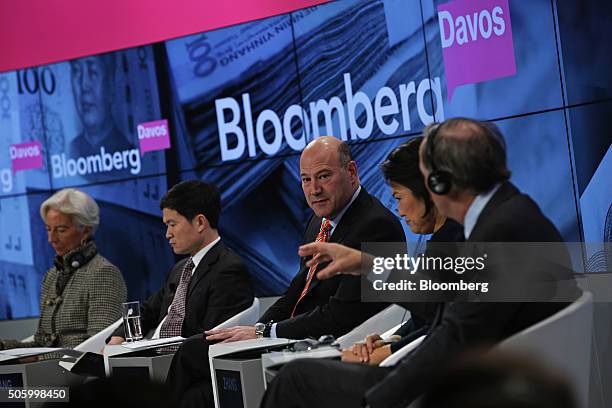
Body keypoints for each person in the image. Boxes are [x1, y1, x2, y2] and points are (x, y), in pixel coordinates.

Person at [262, 117, 580, 408]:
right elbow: (439, 302)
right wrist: (367, 266)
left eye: (426, 178)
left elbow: (455, 334)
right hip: (485, 372)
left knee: (294, 378)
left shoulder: (500, 232)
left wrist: (377, 398)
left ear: (441, 182)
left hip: (474, 386)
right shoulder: (507, 215)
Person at [165, 136, 406, 407]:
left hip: (322, 341)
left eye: (323, 176)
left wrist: (267, 333)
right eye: (305, 179)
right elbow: (296, 290)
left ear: (351, 171)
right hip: (290, 334)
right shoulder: (318, 221)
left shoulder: (376, 225)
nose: (314, 189)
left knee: (198, 379)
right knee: (191, 354)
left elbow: (340, 316)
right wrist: (257, 330)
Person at [340, 137, 464, 365]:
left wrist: (382, 354)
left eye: (399, 197)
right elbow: (431, 316)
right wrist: (390, 341)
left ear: (428, 190)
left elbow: (443, 323)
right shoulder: (444, 238)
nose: (398, 210)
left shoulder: (454, 243)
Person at [107, 180, 253, 345]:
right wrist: (120, 336)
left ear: (200, 222)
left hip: (179, 361)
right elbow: (148, 309)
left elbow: (210, 337)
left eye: (172, 224)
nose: (168, 234)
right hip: (153, 356)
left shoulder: (229, 270)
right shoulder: (180, 269)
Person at [0, 188, 126, 349]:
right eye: (48, 229)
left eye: (61, 230)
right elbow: (41, 343)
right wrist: (4, 347)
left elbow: (99, 345)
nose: (51, 239)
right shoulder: (51, 276)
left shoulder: (104, 274)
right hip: (50, 368)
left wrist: (41, 358)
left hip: (81, 371)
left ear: (85, 231)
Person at [69, 53, 133, 158]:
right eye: (77, 72)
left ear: (110, 86)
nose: (84, 85)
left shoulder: (130, 153)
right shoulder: (69, 152)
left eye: (93, 72)